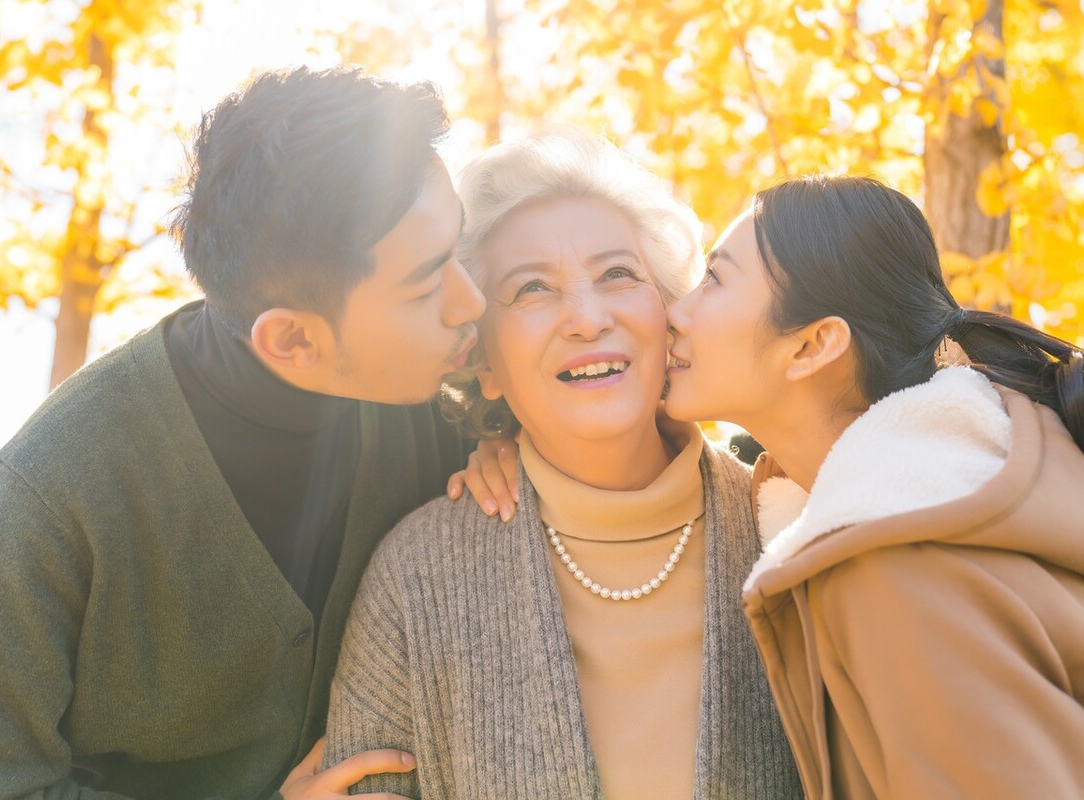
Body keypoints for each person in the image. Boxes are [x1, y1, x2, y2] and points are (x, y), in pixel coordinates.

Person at [0, 66, 491, 800]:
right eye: (427, 285)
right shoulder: (59, 487)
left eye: (458, 252)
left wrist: (520, 449)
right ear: (293, 341)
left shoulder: (440, 401)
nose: (471, 300)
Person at [322, 130, 802, 799]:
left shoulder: (789, 531)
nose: (585, 317)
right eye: (532, 290)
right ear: (483, 360)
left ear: (670, 320)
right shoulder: (418, 577)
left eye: (617, 275)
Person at [664, 175, 1084, 798]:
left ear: (813, 345)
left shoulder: (890, 563)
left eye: (715, 280)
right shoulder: (984, 466)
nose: (676, 310)